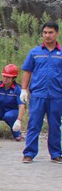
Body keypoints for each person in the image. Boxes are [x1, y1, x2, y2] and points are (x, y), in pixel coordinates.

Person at [20, 21, 62, 164]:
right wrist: (24, 89)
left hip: (56, 95)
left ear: (57, 33)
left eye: (50, 32)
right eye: (45, 33)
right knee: (34, 124)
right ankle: (29, 153)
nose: (47, 35)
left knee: (55, 125)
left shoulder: (61, 53)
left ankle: (56, 153)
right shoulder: (35, 52)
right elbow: (27, 71)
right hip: (38, 95)